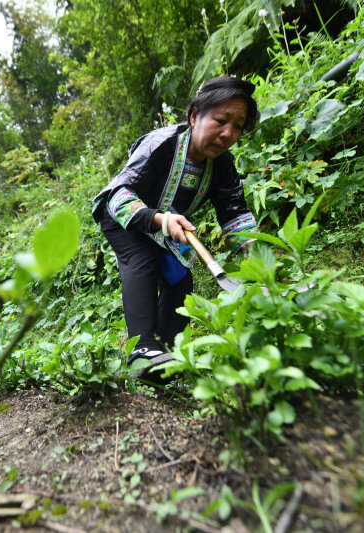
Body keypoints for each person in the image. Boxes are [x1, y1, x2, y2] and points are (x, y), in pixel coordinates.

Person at [91, 75, 260, 380]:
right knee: (141, 258)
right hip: (122, 217)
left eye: (237, 126)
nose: (228, 133)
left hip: (164, 227)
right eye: (221, 120)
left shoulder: (223, 165)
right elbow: (118, 196)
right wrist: (162, 220)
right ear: (195, 116)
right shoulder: (161, 144)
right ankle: (142, 350)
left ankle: (167, 357)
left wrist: (259, 262)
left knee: (180, 281)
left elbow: (234, 213)